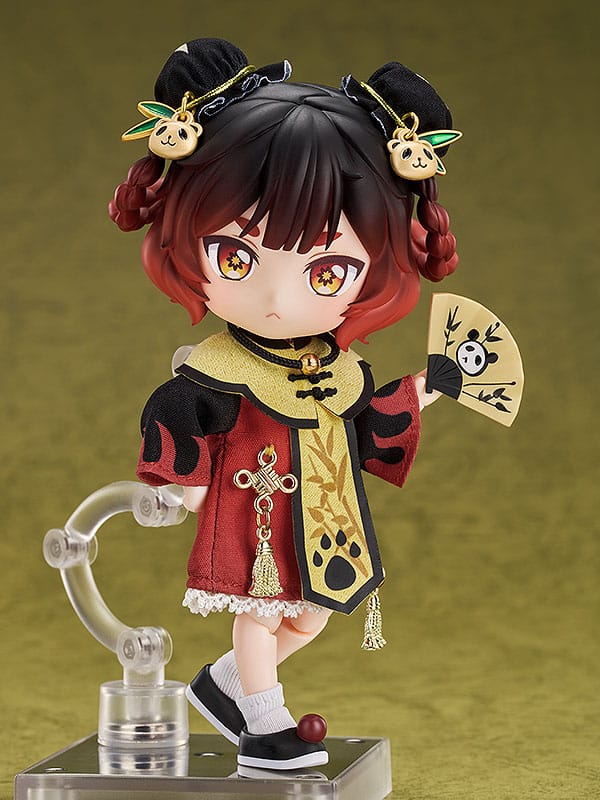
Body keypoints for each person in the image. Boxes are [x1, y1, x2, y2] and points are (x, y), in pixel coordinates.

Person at [110, 37, 460, 770]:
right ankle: (264, 722)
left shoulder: (338, 366)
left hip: (322, 513)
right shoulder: (218, 368)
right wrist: (184, 485)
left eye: (326, 271)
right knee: (261, 612)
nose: (276, 298)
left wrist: (427, 388)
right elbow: (181, 413)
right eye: (236, 258)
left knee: (313, 614)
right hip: (253, 508)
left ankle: (225, 684)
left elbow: (364, 421)